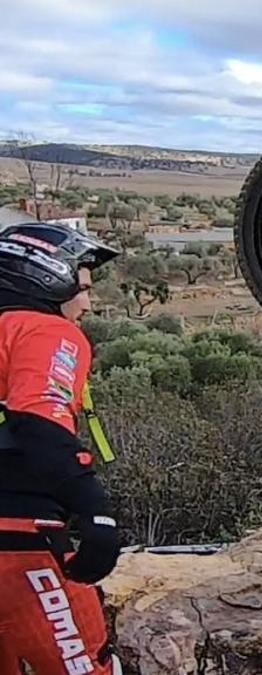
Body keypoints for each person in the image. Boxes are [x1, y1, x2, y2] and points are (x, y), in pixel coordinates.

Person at [0, 222, 122, 673]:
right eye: (83, 288)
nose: (87, 303)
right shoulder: (43, 329)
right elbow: (38, 420)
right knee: (84, 665)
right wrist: (95, 510)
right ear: (46, 276)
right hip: (17, 540)